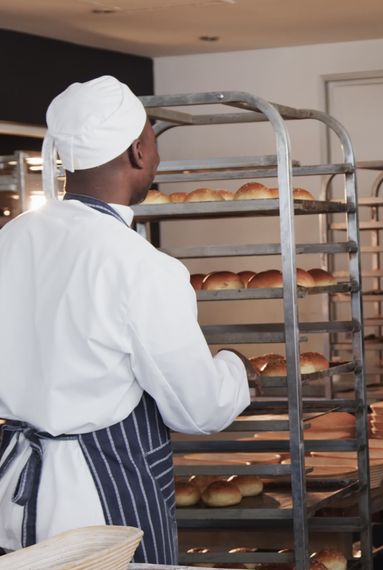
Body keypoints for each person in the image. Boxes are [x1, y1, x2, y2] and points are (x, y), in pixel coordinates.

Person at [0, 76, 253, 564]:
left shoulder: (9, 241)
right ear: (138, 152)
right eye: (153, 141)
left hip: (12, 495)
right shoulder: (140, 264)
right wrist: (236, 370)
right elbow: (196, 409)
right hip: (101, 506)